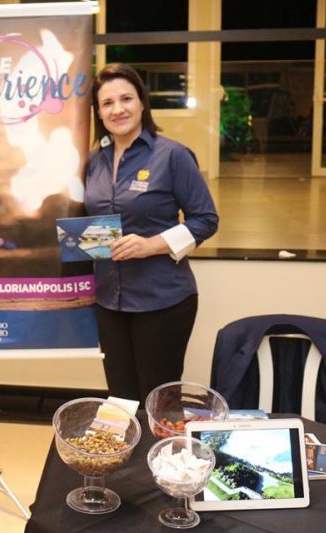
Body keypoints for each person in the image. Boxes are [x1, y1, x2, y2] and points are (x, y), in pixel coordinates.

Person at [84, 63, 219, 402]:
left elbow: (206, 219)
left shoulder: (172, 155)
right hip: (109, 302)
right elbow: (93, 223)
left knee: (159, 404)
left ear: (142, 102)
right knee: (122, 402)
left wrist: (152, 245)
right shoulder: (93, 162)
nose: (118, 109)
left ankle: (162, 442)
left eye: (126, 98)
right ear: (98, 112)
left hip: (163, 301)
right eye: (107, 103)